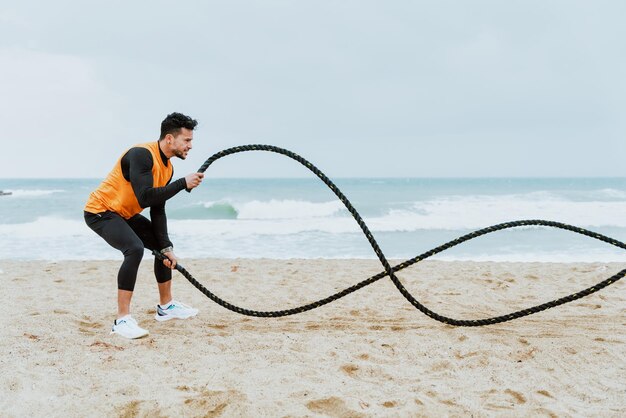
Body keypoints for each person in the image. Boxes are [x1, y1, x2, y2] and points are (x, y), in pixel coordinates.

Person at [84, 112, 205, 339]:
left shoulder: (168, 168)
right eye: (187, 140)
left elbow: (157, 207)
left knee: (162, 248)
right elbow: (145, 198)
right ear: (170, 139)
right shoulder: (142, 155)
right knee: (134, 249)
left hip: (125, 214)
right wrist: (182, 184)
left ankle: (166, 307)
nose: (190, 146)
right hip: (101, 211)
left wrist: (166, 246)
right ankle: (122, 320)